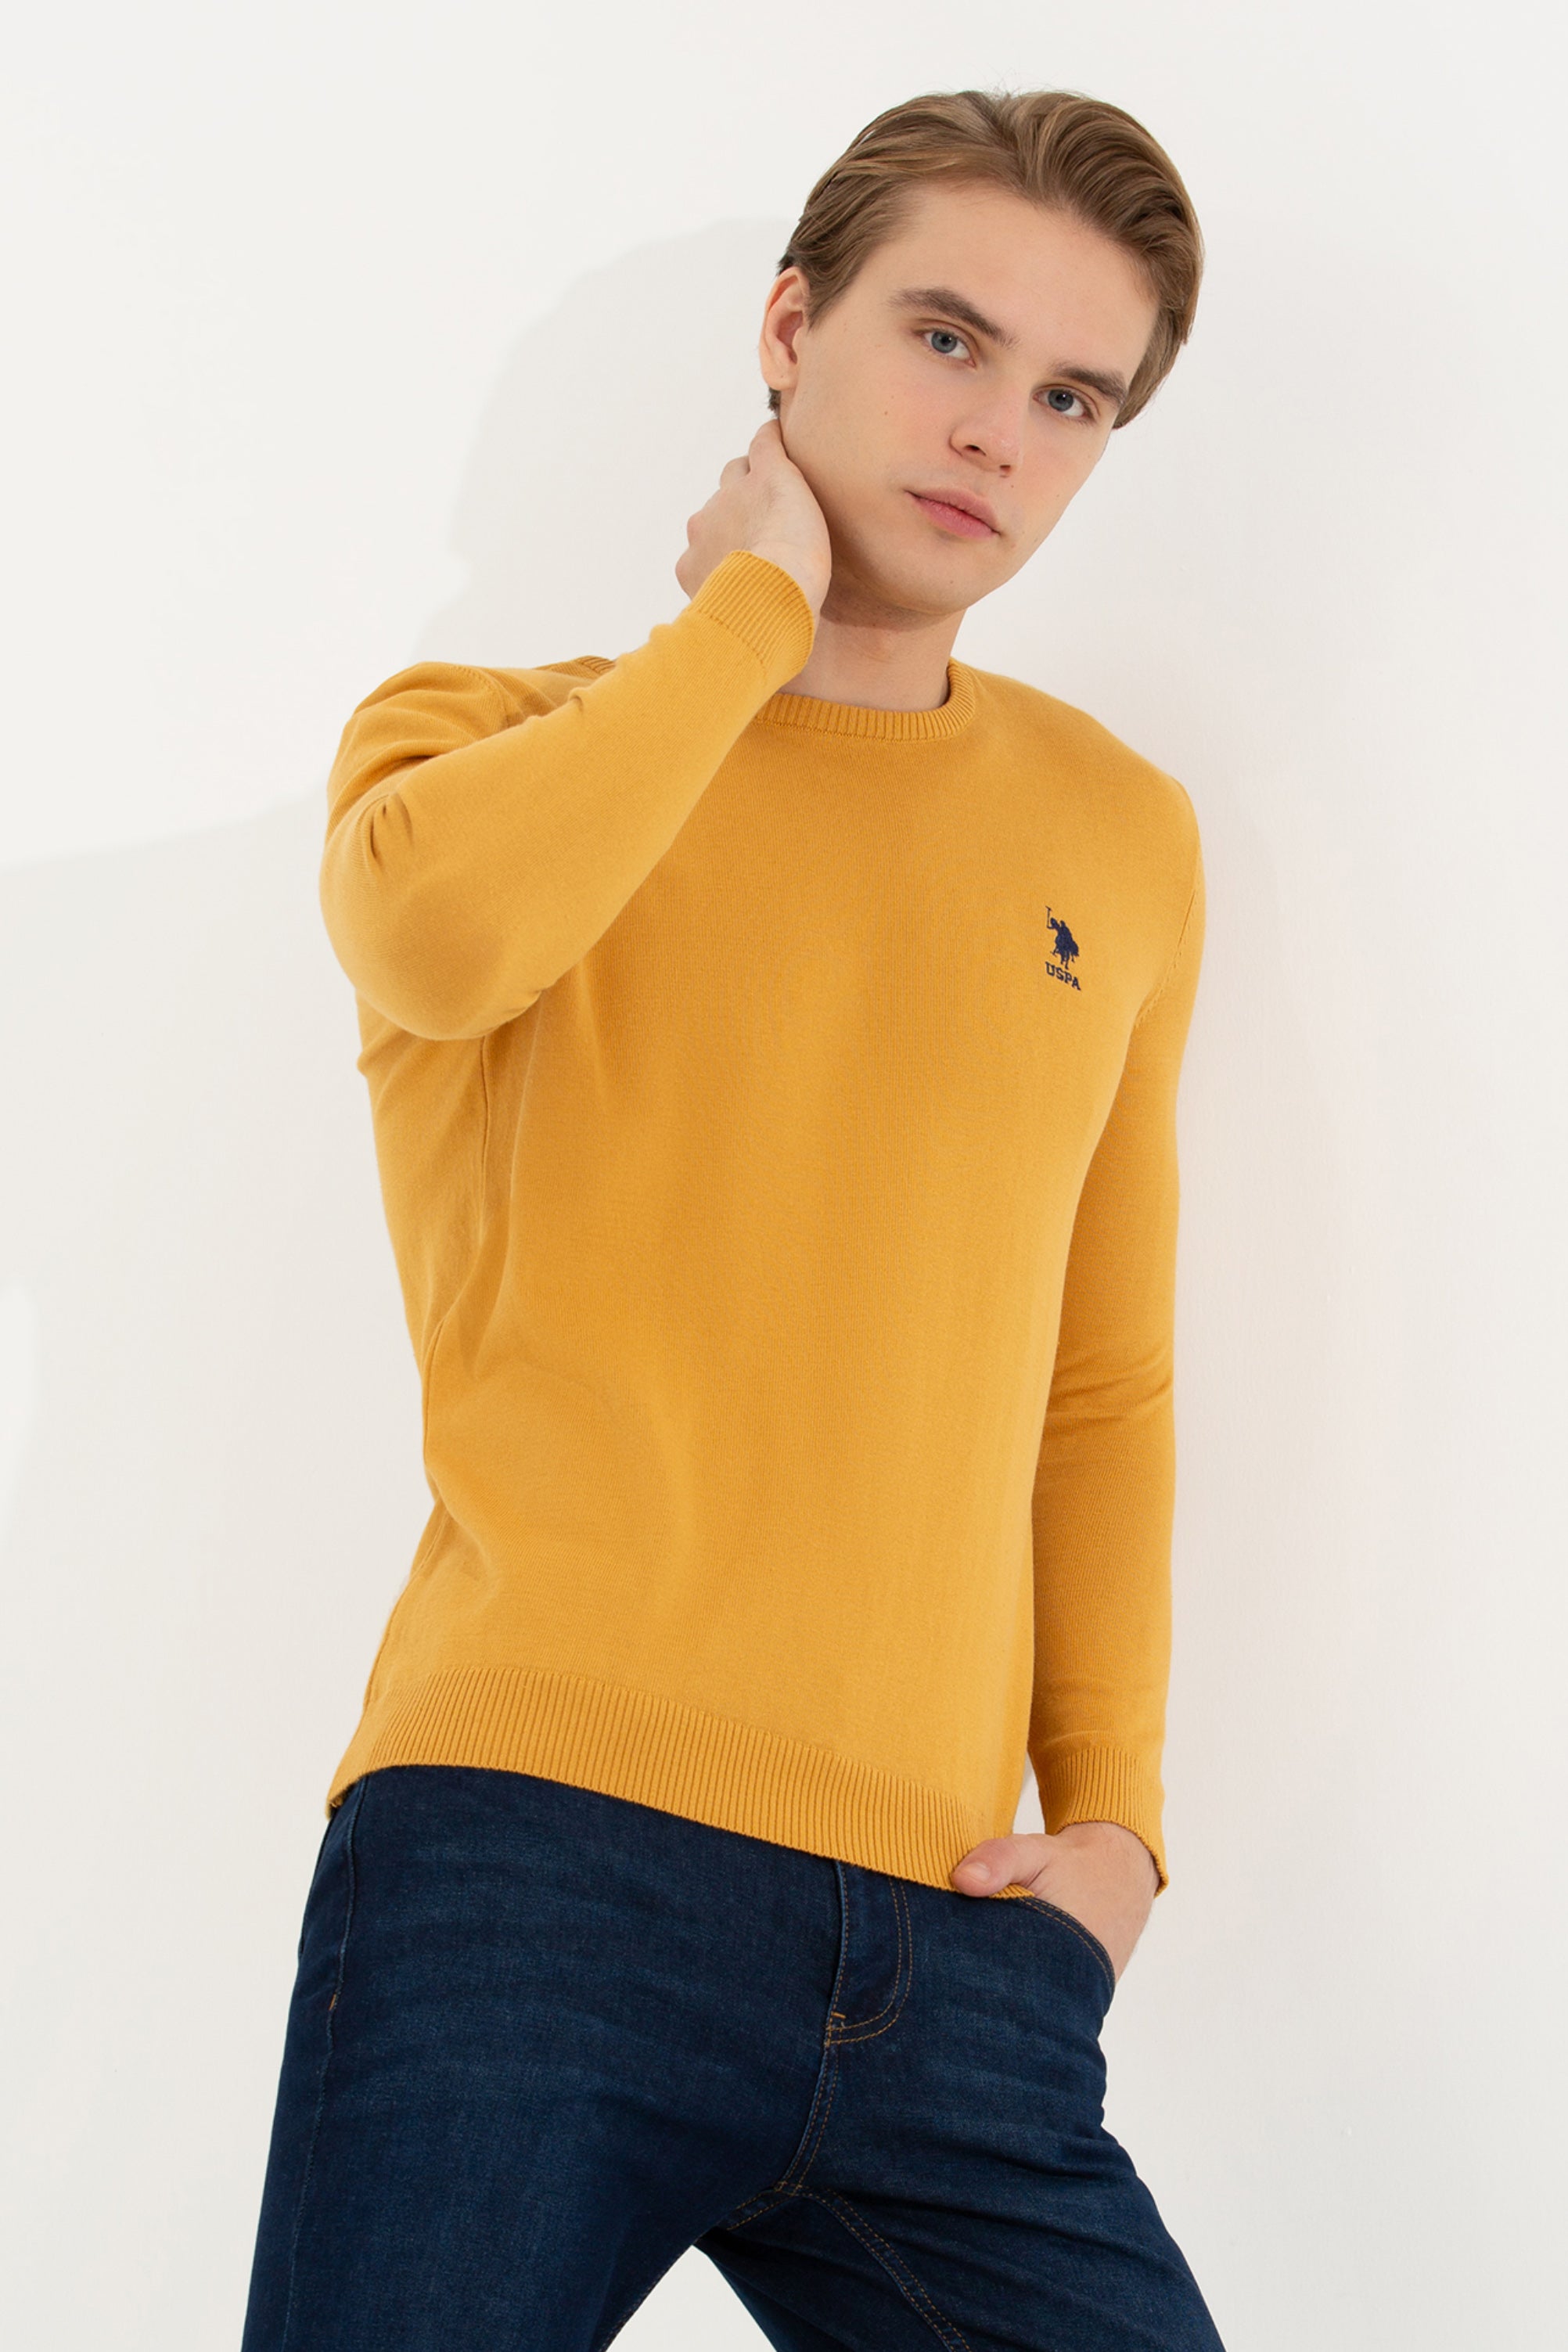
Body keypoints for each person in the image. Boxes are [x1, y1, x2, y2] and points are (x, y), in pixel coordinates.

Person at [241, 85, 1225, 2352]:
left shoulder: (1118, 835)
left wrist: (1114, 1824)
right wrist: (751, 613)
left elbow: (1101, 1376)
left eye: (1070, 398)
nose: (993, 434)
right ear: (791, 331)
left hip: (954, 1943)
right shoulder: (478, 743)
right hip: (528, 1865)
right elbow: (438, 947)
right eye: (946, 340)